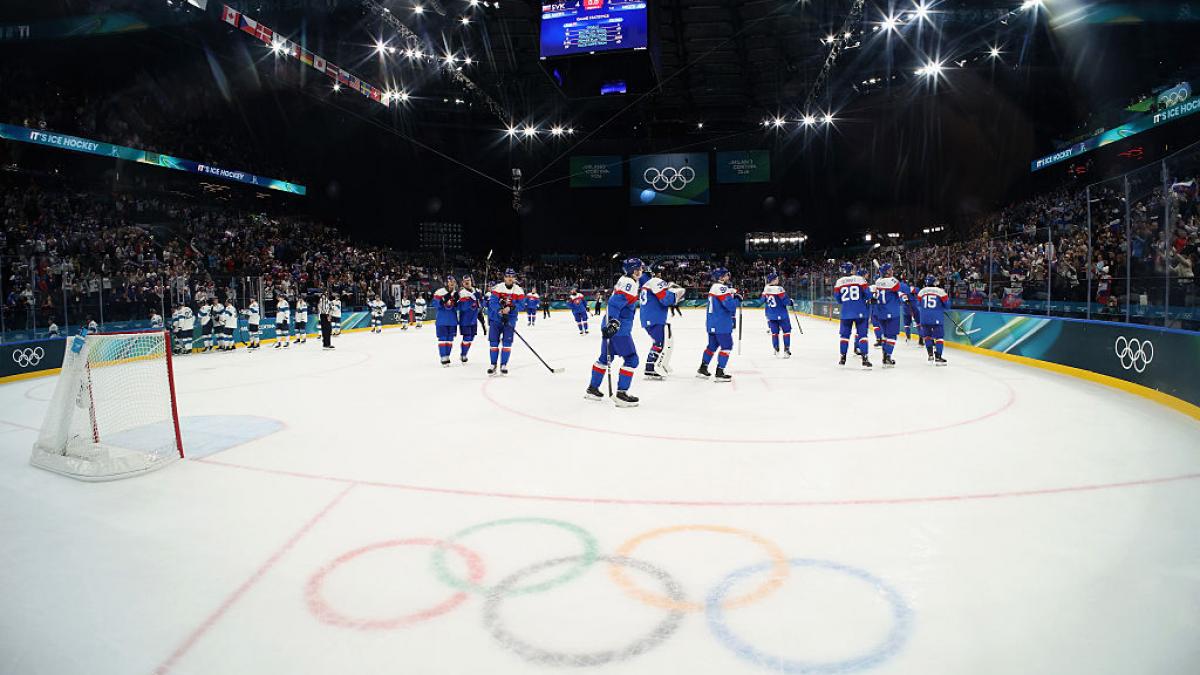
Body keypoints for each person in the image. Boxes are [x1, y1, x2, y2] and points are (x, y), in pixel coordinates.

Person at [585, 258, 644, 406]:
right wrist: (614, 323)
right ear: (632, 270)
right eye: (638, 269)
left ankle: (593, 389)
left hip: (610, 325)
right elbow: (614, 304)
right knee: (632, 359)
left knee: (605, 358)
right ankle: (621, 393)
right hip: (619, 329)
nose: (641, 271)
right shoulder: (629, 283)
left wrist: (610, 323)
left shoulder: (626, 280)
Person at [639, 265, 685, 379]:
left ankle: (660, 364)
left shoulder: (645, 285)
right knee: (659, 343)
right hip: (655, 318)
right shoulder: (654, 281)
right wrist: (677, 294)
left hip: (649, 317)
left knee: (661, 342)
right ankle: (650, 368)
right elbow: (666, 300)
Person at [697, 267, 739, 382]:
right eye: (726, 275)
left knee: (712, 346)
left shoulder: (714, 287)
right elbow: (729, 305)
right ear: (721, 277)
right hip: (721, 323)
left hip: (712, 322)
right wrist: (736, 299)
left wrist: (730, 292)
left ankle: (703, 367)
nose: (728, 276)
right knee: (727, 346)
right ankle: (720, 372)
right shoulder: (721, 288)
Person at [486, 268, 525, 375]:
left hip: (510, 320)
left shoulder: (518, 290)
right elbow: (492, 302)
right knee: (493, 343)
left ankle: (503, 364)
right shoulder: (498, 287)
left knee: (507, 343)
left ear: (514, 278)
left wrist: (510, 308)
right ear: (504, 277)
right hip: (496, 319)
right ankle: (493, 364)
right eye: (507, 276)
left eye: (511, 276)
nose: (509, 278)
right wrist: (500, 310)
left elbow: (521, 305)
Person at [834, 262, 871, 368]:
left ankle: (842, 358)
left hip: (846, 312)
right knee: (862, 335)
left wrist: (847, 303)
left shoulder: (839, 282)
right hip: (860, 311)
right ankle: (865, 359)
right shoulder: (860, 279)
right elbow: (868, 295)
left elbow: (838, 299)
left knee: (844, 336)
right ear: (852, 269)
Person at [871, 263, 906, 368]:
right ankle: (887, 357)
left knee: (885, 336)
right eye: (890, 270)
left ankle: (885, 356)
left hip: (881, 313)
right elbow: (901, 290)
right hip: (892, 312)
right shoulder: (893, 281)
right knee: (892, 336)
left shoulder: (877, 282)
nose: (892, 271)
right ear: (886, 272)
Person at [917, 275, 949, 365]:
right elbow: (947, 305)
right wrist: (941, 306)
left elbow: (918, 303)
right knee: (939, 337)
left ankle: (930, 355)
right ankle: (938, 357)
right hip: (936, 318)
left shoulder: (921, 291)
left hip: (924, 317)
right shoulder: (940, 291)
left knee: (927, 336)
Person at [761, 271, 794, 358]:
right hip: (782, 314)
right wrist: (791, 302)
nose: (778, 280)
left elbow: (762, 300)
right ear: (774, 280)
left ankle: (776, 349)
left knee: (774, 333)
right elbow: (785, 301)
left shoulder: (766, 289)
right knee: (786, 332)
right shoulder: (779, 289)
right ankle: (786, 350)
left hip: (771, 315)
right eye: (777, 278)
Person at [432, 275, 461, 367]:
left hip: (452, 321)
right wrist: (443, 300)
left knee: (450, 340)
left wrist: (457, 303)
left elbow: (458, 308)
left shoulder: (456, 293)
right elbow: (435, 304)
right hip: (442, 320)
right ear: (446, 282)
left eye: (453, 282)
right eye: (450, 281)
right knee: (442, 339)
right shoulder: (440, 292)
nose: (452, 283)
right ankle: (443, 356)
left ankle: (447, 356)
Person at [457, 275, 481, 363]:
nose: (467, 282)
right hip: (465, 320)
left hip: (474, 319)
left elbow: (479, 304)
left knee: (471, 338)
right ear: (463, 283)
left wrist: (480, 298)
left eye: (469, 280)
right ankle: (463, 354)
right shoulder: (462, 293)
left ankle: (465, 353)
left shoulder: (475, 290)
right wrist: (472, 299)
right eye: (465, 281)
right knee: (467, 338)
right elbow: (463, 307)